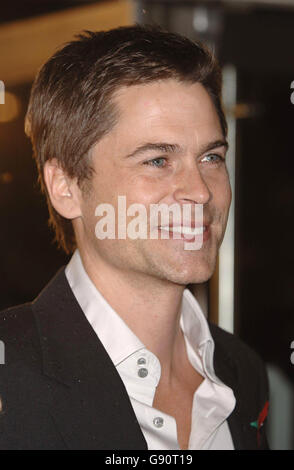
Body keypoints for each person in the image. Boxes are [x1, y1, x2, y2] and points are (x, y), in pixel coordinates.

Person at [0, 24, 269, 450]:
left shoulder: (241, 370)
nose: (201, 191)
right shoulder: (10, 378)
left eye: (211, 157)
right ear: (66, 186)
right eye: (159, 160)